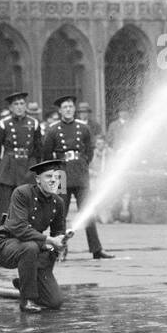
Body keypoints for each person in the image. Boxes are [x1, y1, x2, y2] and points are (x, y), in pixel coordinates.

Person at [0, 157, 69, 313]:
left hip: (31, 249)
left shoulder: (58, 202)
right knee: (31, 247)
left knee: (55, 302)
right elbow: (19, 228)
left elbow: (58, 230)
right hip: (6, 244)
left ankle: (25, 282)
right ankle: (27, 300)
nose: (53, 181)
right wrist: (49, 240)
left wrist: (61, 245)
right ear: (38, 179)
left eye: (57, 177)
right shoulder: (22, 193)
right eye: (48, 177)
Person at [40, 96, 112, 259]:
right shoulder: (53, 129)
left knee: (88, 212)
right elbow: (46, 154)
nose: (68, 109)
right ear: (60, 110)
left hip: (80, 174)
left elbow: (90, 150)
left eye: (71, 106)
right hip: (62, 175)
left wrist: (83, 163)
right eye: (65, 107)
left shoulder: (83, 127)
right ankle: (60, 250)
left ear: (74, 109)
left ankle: (96, 249)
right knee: (60, 215)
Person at [0, 91, 41, 224]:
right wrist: (0, 171)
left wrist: (34, 170)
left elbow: (39, 150)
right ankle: (4, 242)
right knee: (6, 212)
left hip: (28, 170)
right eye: (16, 104)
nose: (19, 107)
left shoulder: (34, 123)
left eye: (22, 103)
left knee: (29, 211)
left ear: (26, 106)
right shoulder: (4, 124)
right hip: (8, 172)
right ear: (10, 107)